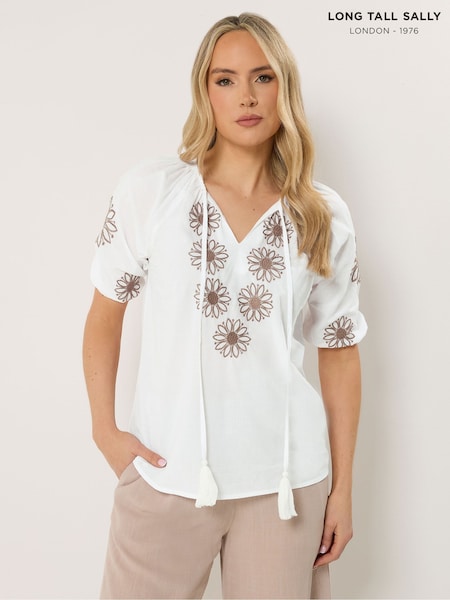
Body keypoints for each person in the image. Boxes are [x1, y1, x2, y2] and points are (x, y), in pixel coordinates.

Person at [83, 12, 367, 600]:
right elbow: (105, 314)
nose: (246, 96)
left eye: (263, 77)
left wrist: (342, 490)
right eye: (225, 79)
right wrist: (105, 431)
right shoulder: (152, 192)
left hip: (286, 489)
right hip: (166, 475)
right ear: (204, 91)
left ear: (284, 87)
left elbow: (339, 351)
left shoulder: (321, 215)